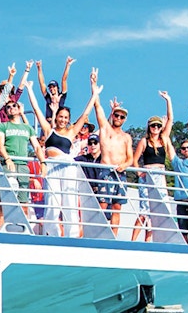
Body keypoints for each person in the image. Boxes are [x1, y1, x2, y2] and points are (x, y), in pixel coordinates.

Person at [24, 78, 96, 237]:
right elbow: (36, 109)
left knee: (69, 202)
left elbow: (85, 115)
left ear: (68, 119)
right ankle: (55, 234)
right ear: (56, 117)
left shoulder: (71, 132)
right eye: (61, 116)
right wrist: (29, 90)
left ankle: (73, 236)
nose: (63, 120)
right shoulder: (49, 130)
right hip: (52, 166)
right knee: (52, 204)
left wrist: (94, 94)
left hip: (67, 166)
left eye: (66, 117)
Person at [90, 69, 135, 235]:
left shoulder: (126, 137)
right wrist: (94, 85)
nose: (119, 118)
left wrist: (124, 165)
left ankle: (114, 235)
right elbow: (97, 107)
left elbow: (130, 158)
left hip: (120, 173)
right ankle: (99, 233)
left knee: (117, 206)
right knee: (102, 204)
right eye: (117, 115)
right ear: (113, 115)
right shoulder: (105, 129)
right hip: (106, 171)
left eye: (122, 117)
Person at [132, 91, 176, 205]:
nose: (155, 127)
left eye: (158, 125)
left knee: (163, 206)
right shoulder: (144, 141)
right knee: (145, 208)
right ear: (149, 127)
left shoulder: (164, 139)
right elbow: (135, 160)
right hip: (147, 173)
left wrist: (168, 100)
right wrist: (139, 174)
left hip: (160, 174)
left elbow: (170, 119)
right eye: (153, 125)